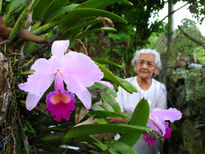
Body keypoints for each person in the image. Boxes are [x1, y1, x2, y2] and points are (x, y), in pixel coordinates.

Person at [115, 48, 167, 154]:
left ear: (156, 69)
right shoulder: (123, 85)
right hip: (124, 143)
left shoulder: (160, 88)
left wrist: (133, 119)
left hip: (150, 147)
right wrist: (147, 122)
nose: (144, 66)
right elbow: (117, 115)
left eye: (149, 64)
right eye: (141, 62)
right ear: (135, 65)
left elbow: (162, 119)